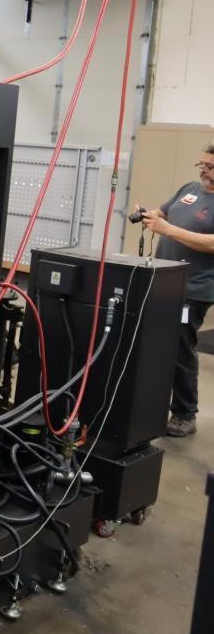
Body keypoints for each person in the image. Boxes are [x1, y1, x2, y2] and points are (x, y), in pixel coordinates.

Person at [139, 144, 214, 437]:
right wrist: (148, 215)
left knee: (180, 349)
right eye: (202, 164)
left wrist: (167, 229)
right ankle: (152, 403)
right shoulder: (189, 189)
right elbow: (163, 212)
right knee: (154, 344)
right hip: (164, 282)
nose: (204, 170)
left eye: (210, 166)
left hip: (193, 288)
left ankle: (185, 413)